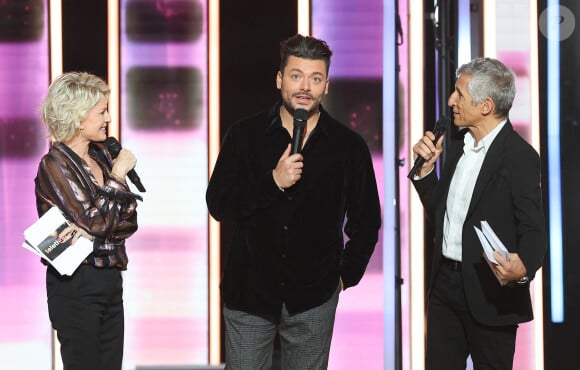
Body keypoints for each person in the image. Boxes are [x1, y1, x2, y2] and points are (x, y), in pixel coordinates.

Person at [206, 34, 381, 369]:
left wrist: (344, 277)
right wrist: (272, 181)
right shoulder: (245, 135)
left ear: (326, 86)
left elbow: (366, 221)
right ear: (279, 79)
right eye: (296, 76)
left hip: (314, 296)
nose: (305, 87)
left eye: (315, 79)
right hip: (249, 292)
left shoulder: (348, 146)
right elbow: (219, 204)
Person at [410, 57, 547, 369]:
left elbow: (534, 230)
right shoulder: (458, 145)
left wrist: (523, 269)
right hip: (444, 287)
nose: (451, 101)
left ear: (485, 106)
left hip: (491, 292)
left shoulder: (520, 157)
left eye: (459, 94)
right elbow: (444, 217)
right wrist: (425, 175)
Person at [35, 72, 142, 370]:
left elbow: (129, 220)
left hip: (109, 280)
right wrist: (118, 177)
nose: (108, 118)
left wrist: (97, 226)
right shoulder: (55, 164)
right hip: (76, 286)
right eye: (102, 112)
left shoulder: (103, 156)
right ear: (78, 118)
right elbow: (98, 223)